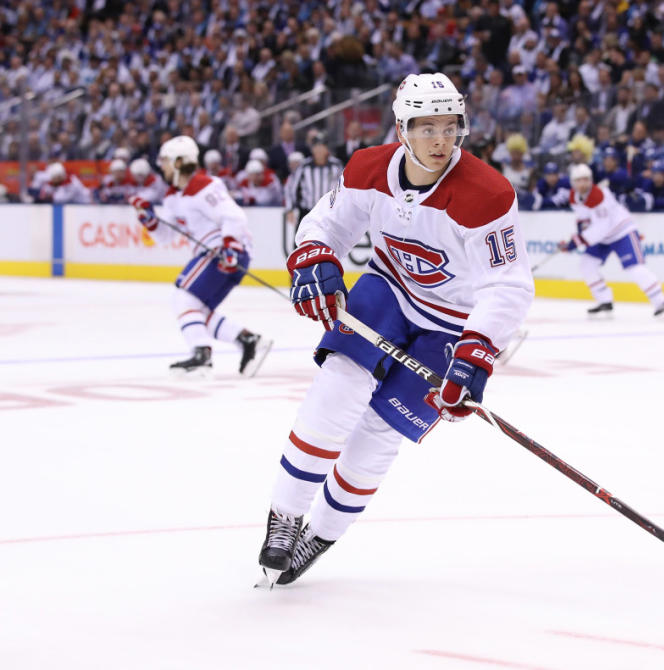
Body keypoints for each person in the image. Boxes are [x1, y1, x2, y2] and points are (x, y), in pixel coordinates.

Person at [257, 73, 534, 586]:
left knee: (382, 431)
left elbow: (508, 286)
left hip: (452, 323)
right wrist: (315, 257)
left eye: (450, 127)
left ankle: (319, 534)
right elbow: (326, 226)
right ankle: (285, 516)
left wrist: (474, 357)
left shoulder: (487, 195)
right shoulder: (367, 168)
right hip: (387, 291)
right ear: (402, 127)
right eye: (425, 127)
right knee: (338, 386)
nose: (439, 140)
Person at [127, 135, 273, 377]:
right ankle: (247, 340)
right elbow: (165, 236)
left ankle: (201, 354)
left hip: (222, 252)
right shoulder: (173, 197)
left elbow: (233, 216)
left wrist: (231, 247)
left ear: (178, 162)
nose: (160, 165)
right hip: (219, 253)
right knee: (195, 309)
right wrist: (149, 219)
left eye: (165, 160)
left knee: (182, 298)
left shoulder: (205, 185)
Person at [559, 163, 664, 317]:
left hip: (621, 231)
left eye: (585, 179)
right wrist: (577, 237)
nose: (582, 183)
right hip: (603, 237)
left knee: (634, 268)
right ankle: (604, 300)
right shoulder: (574, 197)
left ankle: (661, 302)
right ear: (573, 183)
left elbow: (602, 227)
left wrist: (577, 242)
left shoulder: (600, 196)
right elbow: (583, 219)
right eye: (578, 180)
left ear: (591, 180)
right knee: (586, 264)